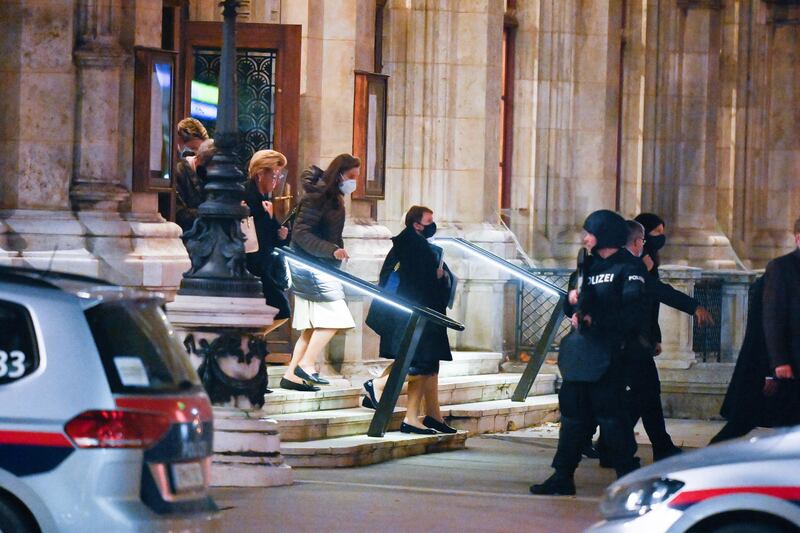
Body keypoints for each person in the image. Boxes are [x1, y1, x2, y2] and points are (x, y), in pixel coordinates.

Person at [531, 210, 645, 496]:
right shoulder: (586, 267)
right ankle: (562, 475)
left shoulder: (629, 268)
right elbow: (571, 305)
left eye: (589, 232)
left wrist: (600, 320)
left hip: (611, 354)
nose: (584, 238)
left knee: (612, 417)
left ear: (604, 233)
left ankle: (628, 478)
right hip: (582, 354)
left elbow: (633, 312)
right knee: (572, 416)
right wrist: (571, 302)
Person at [363, 206, 457, 434]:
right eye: (428, 221)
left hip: (419, 313)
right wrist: (439, 277)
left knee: (428, 364)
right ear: (416, 224)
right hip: (412, 314)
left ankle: (432, 415)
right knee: (419, 363)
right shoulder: (411, 246)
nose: (432, 225)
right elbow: (419, 282)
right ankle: (380, 388)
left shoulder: (414, 244)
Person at [280, 154, 359, 392]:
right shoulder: (319, 197)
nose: (354, 182)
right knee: (336, 317)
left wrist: (334, 251)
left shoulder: (331, 196)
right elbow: (302, 234)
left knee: (313, 325)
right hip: (311, 265)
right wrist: (332, 251)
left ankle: (292, 374)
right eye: (352, 176)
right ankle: (306, 363)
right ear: (340, 174)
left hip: (319, 265)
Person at [244, 149, 292, 333]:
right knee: (279, 309)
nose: (277, 180)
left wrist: (282, 234)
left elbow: (271, 235)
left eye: (280, 175)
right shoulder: (247, 197)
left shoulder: (265, 200)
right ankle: (251, 342)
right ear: (260, 174)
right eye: (274, 174)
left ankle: (252, 343)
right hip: (251, 266)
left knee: (280, 309)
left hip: (263, 264)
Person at [759, 216, 800, 426]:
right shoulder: (781, 267)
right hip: (793, 359)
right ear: (798, 239)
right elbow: (773, 317)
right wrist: (779, 360)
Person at [175, 139, 215, 233]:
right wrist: (212, 212)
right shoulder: (178, 173)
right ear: (199, 159)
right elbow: (179, 213)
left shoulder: (208, 177)